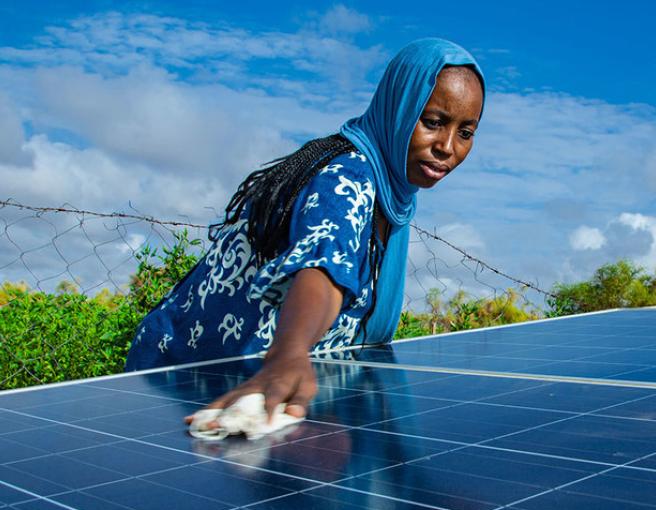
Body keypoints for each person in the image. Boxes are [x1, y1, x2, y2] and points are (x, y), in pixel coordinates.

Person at [123, 38, 485, 427]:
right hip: (178, 377)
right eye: (432, 122)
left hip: (251, 383)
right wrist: (291, 349)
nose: (447, 147)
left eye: (465, 132)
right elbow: (324, 269)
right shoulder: (347, 178)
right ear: (398, 106)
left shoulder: (392, 194)